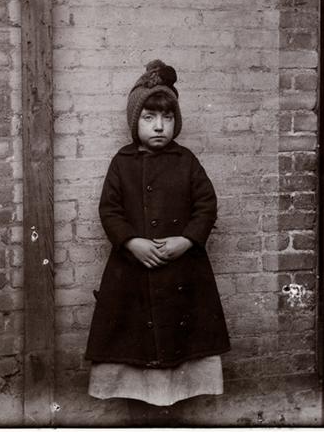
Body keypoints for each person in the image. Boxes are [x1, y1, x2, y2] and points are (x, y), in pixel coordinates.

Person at [84, 59, 231, 425]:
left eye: (167, 117)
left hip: (182, 273)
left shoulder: (186, 161)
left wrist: (187, 240)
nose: (159, 126)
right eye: (149, 118)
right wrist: (131, 242)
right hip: (132, 275)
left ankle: (171, 411)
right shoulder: (122, 163)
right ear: (135, 121)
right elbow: (109, 210)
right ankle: (139, 414)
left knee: (177, 345)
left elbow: (206, 206)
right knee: (134, 346)